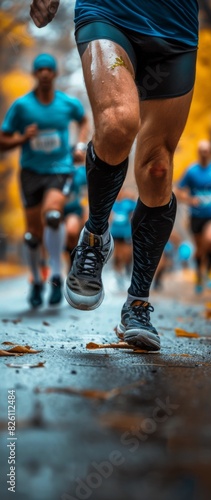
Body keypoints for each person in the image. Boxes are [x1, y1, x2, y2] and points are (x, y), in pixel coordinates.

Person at [30, 0, 199, 351]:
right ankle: (94, 237)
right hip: (110, 12)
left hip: (175, 25)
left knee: (158, 168)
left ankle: (137, 303)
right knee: (118, 123)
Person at [0, 53, 89, 308]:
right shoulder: (22, 107)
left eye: (49, 69)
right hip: (30, 173)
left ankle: (57, 277)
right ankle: (37, 282)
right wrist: (21, 139)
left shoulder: (67, 104)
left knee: (53, 216)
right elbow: (3, 140)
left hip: (59, 170)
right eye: (40, 70)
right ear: (35, 74)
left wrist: (80, 145)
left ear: (55, 73)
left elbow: (83, 119)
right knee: (32, 236)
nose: (45, 74)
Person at [175, 140, 211, 294]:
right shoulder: (191, 171)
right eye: (201, 150)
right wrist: (190, 200)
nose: (204, 153)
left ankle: (209, 273)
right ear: (198, 152)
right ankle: (200, 275)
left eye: (207, 150)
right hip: (196, 215)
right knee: (200, 249)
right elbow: (178, 190)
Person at [109, 188, 137, 288]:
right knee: (117, 256)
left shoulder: (128, 203)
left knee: (127, 254)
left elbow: (136, 207)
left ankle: (128, 271)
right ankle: (118, 275)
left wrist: (132, 196)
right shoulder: (112, 203)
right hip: (115, 232)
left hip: (126, 233)